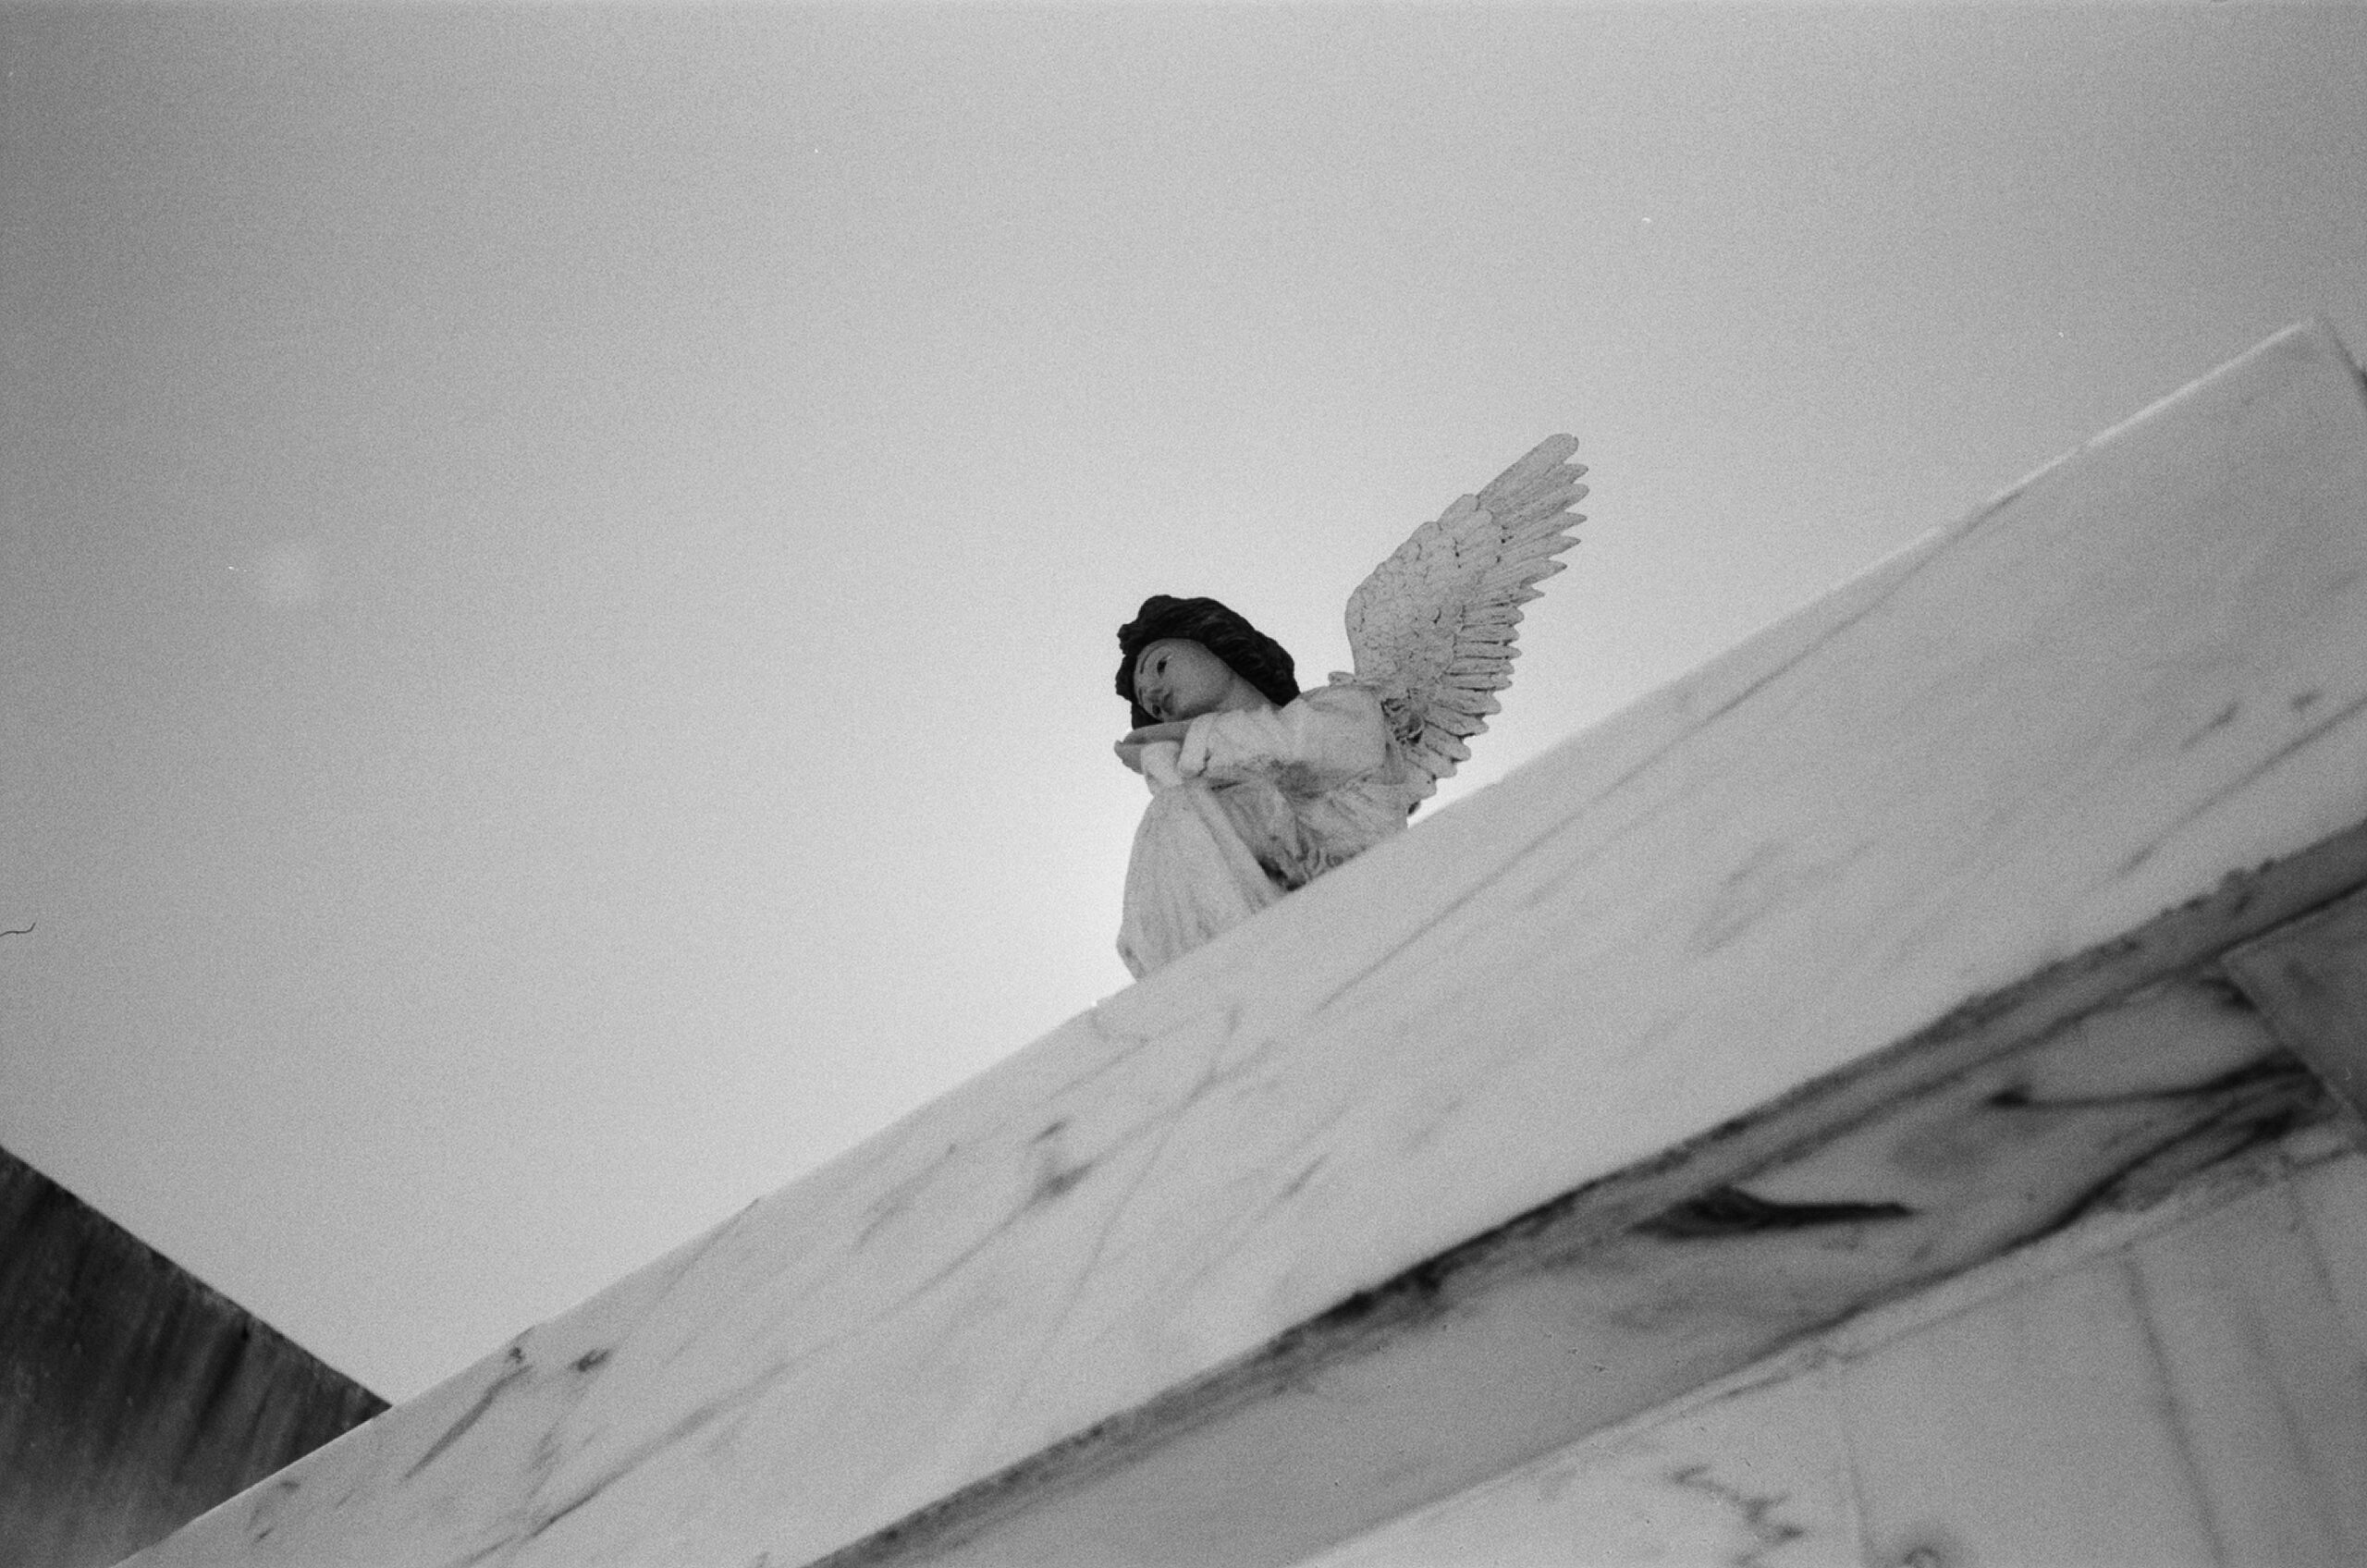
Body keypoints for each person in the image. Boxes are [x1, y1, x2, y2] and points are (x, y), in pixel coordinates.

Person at [1111, 594, 1423, 978]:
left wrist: (1183, 738)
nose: (1158, 695)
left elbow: (1293, 745)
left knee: (1181, 807)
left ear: (1213, 641)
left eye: (1161, 665)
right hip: (1270, 940)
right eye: (1154, 709)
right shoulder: (1208, 782)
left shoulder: (1346, 707)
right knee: (1174, 811)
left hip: (1360, 918)